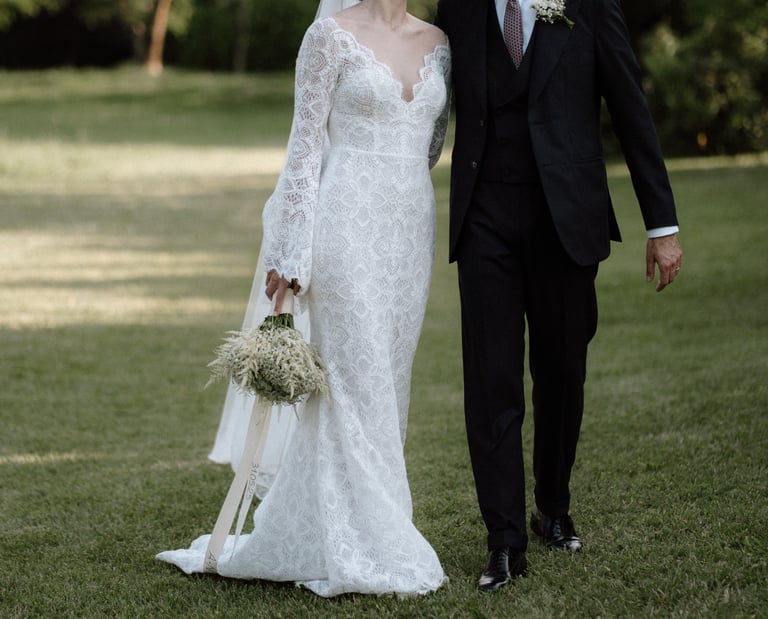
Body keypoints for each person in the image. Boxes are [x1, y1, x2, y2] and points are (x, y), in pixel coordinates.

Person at [156, 0, 451, 597]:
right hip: (344, 228)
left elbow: (431, 145)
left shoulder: (440, 42)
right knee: (353, 382)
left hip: (409, 233)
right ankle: (376, 539)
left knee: (388, 383)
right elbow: (304, 149)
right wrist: (289, 254)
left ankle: (332, 529)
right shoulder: (328, 37)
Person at [434, 0, 683, 591]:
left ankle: (552, 505)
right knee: (491, 380)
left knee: (563, 373)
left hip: (567, 217)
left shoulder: (590, 5)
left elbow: (629, 106)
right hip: (484, 218)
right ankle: (503, 540)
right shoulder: (458, 9)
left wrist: (662, 225)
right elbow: (426, 98)